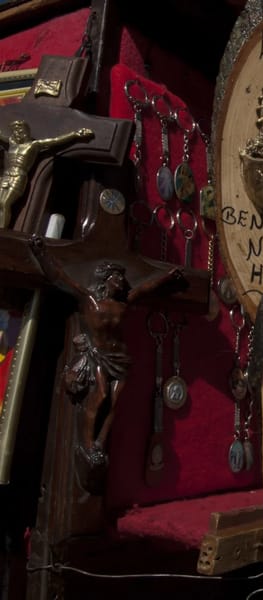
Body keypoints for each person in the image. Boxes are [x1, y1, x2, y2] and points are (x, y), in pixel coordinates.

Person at [31, 236, 182, 492]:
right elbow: (60, 277)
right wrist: (41, 253)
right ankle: (88, 443)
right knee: (99, 394)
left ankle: (100, 442)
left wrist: (168, 278)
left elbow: (146, 288)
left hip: (120, 358)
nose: (121, 282)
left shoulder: (124, 301)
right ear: (106, 279)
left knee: (115, 400)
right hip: (99, 356)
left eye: (122, 278)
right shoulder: (89, 300)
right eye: (116, 278)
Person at [0, 119, 94, 228]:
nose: (17, 133)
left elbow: (54, 140)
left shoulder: (33, 145)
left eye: (19, 130)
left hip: (18, 176)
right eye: (15, 131)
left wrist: (74, 135)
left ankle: (2, 231)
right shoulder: (12, 144)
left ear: (26, 131)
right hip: (6, 175)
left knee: (5, 203)